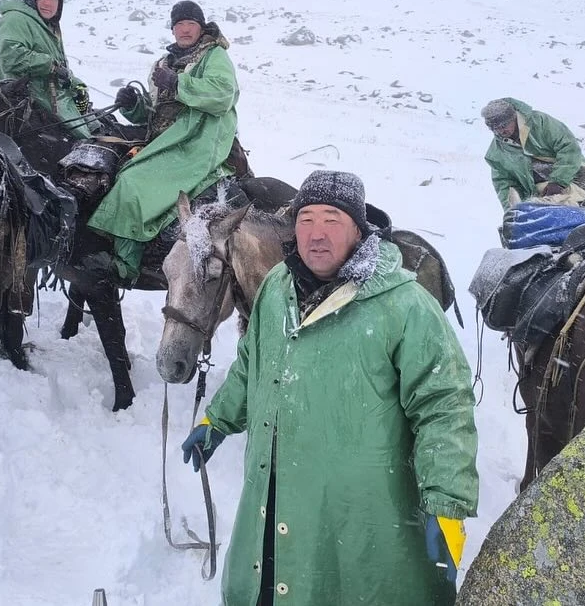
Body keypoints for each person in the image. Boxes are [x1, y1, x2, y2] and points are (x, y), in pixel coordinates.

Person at [181, 170, 478, 606]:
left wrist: (446, 501)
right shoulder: (276, 288)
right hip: (274, 496)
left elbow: (444, 404)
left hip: (362, 514)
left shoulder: (405, 305)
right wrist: (218, 420)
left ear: (359, 229)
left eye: (332, 220)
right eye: (306, 220)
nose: (316, 234)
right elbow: (252, 363)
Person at [86, 0, 239, 283]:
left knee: (132, 183)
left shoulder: (214, 56)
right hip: (165, 140)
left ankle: (126, 265)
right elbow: (156, 112)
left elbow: (222, 94)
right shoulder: (163, 64)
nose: (185, 29)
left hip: (197, 141)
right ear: (172, 29)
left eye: (190, 23)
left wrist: (178, 83)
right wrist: (133, 106)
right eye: (179, 24)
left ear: (200, 27)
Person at [0, 0, 99, 140]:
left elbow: (59, 66)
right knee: (80, 143)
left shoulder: (46, 26)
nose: (47, 3)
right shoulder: (15, 19)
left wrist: (75, 84)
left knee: (94, 132)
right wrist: (50, 66)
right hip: (24, 105)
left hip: (46, 100)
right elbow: (10, 56)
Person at [481, 97, 585, 210]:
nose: (500, 131)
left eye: (503, 125)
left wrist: (558, 182)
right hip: (539, 194)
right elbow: (504, 184)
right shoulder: (496, 154)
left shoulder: (541, 123)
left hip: (575, 174)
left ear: (513, 117)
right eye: (494, 128)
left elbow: (568, 147)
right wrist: (513, 211)